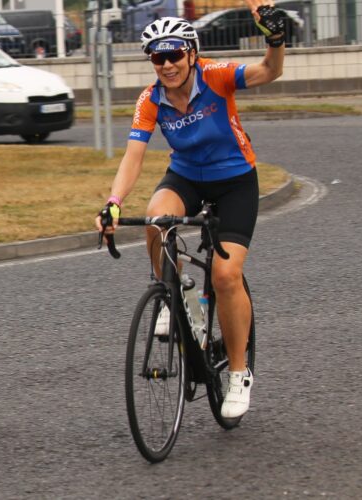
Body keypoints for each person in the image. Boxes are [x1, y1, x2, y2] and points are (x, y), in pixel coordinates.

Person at [95, 1, 286, 419]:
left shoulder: (217, 77)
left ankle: (239, 373)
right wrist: (112, 203)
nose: (166, 65)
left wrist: (275, 39)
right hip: (186, 177)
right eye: (157, 57)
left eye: (174, 54)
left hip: (235, 180)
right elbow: (133, 157)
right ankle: (176, 294)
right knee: (155, 219)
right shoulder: (151, 99)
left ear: (192, 54)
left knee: (224, 274)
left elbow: (269, 71)